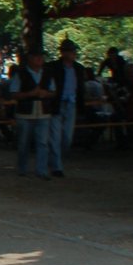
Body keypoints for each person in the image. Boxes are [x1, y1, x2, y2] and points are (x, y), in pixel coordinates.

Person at [9, 50, 57, 179]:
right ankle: (22, 168)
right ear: (30, 58)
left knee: (42, 143)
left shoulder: (47, 73)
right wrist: (29, 94)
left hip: (43, 112)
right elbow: (13, 93)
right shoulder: (21, 74)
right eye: (36, 56)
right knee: (23, 142)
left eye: (41, 56)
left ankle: (41, 170)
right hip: (25, 112)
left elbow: (53, 91)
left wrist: (45, 94)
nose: (39, 59)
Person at [47, 38, 87, 176]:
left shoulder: (79, 68)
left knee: (67, 137)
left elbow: (81, 89)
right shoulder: (53, 67)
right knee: (55, 136)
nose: (73, 54)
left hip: (71, 104)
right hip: (57, 104)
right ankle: (57, 166)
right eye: (71, 51)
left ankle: (56, 159)